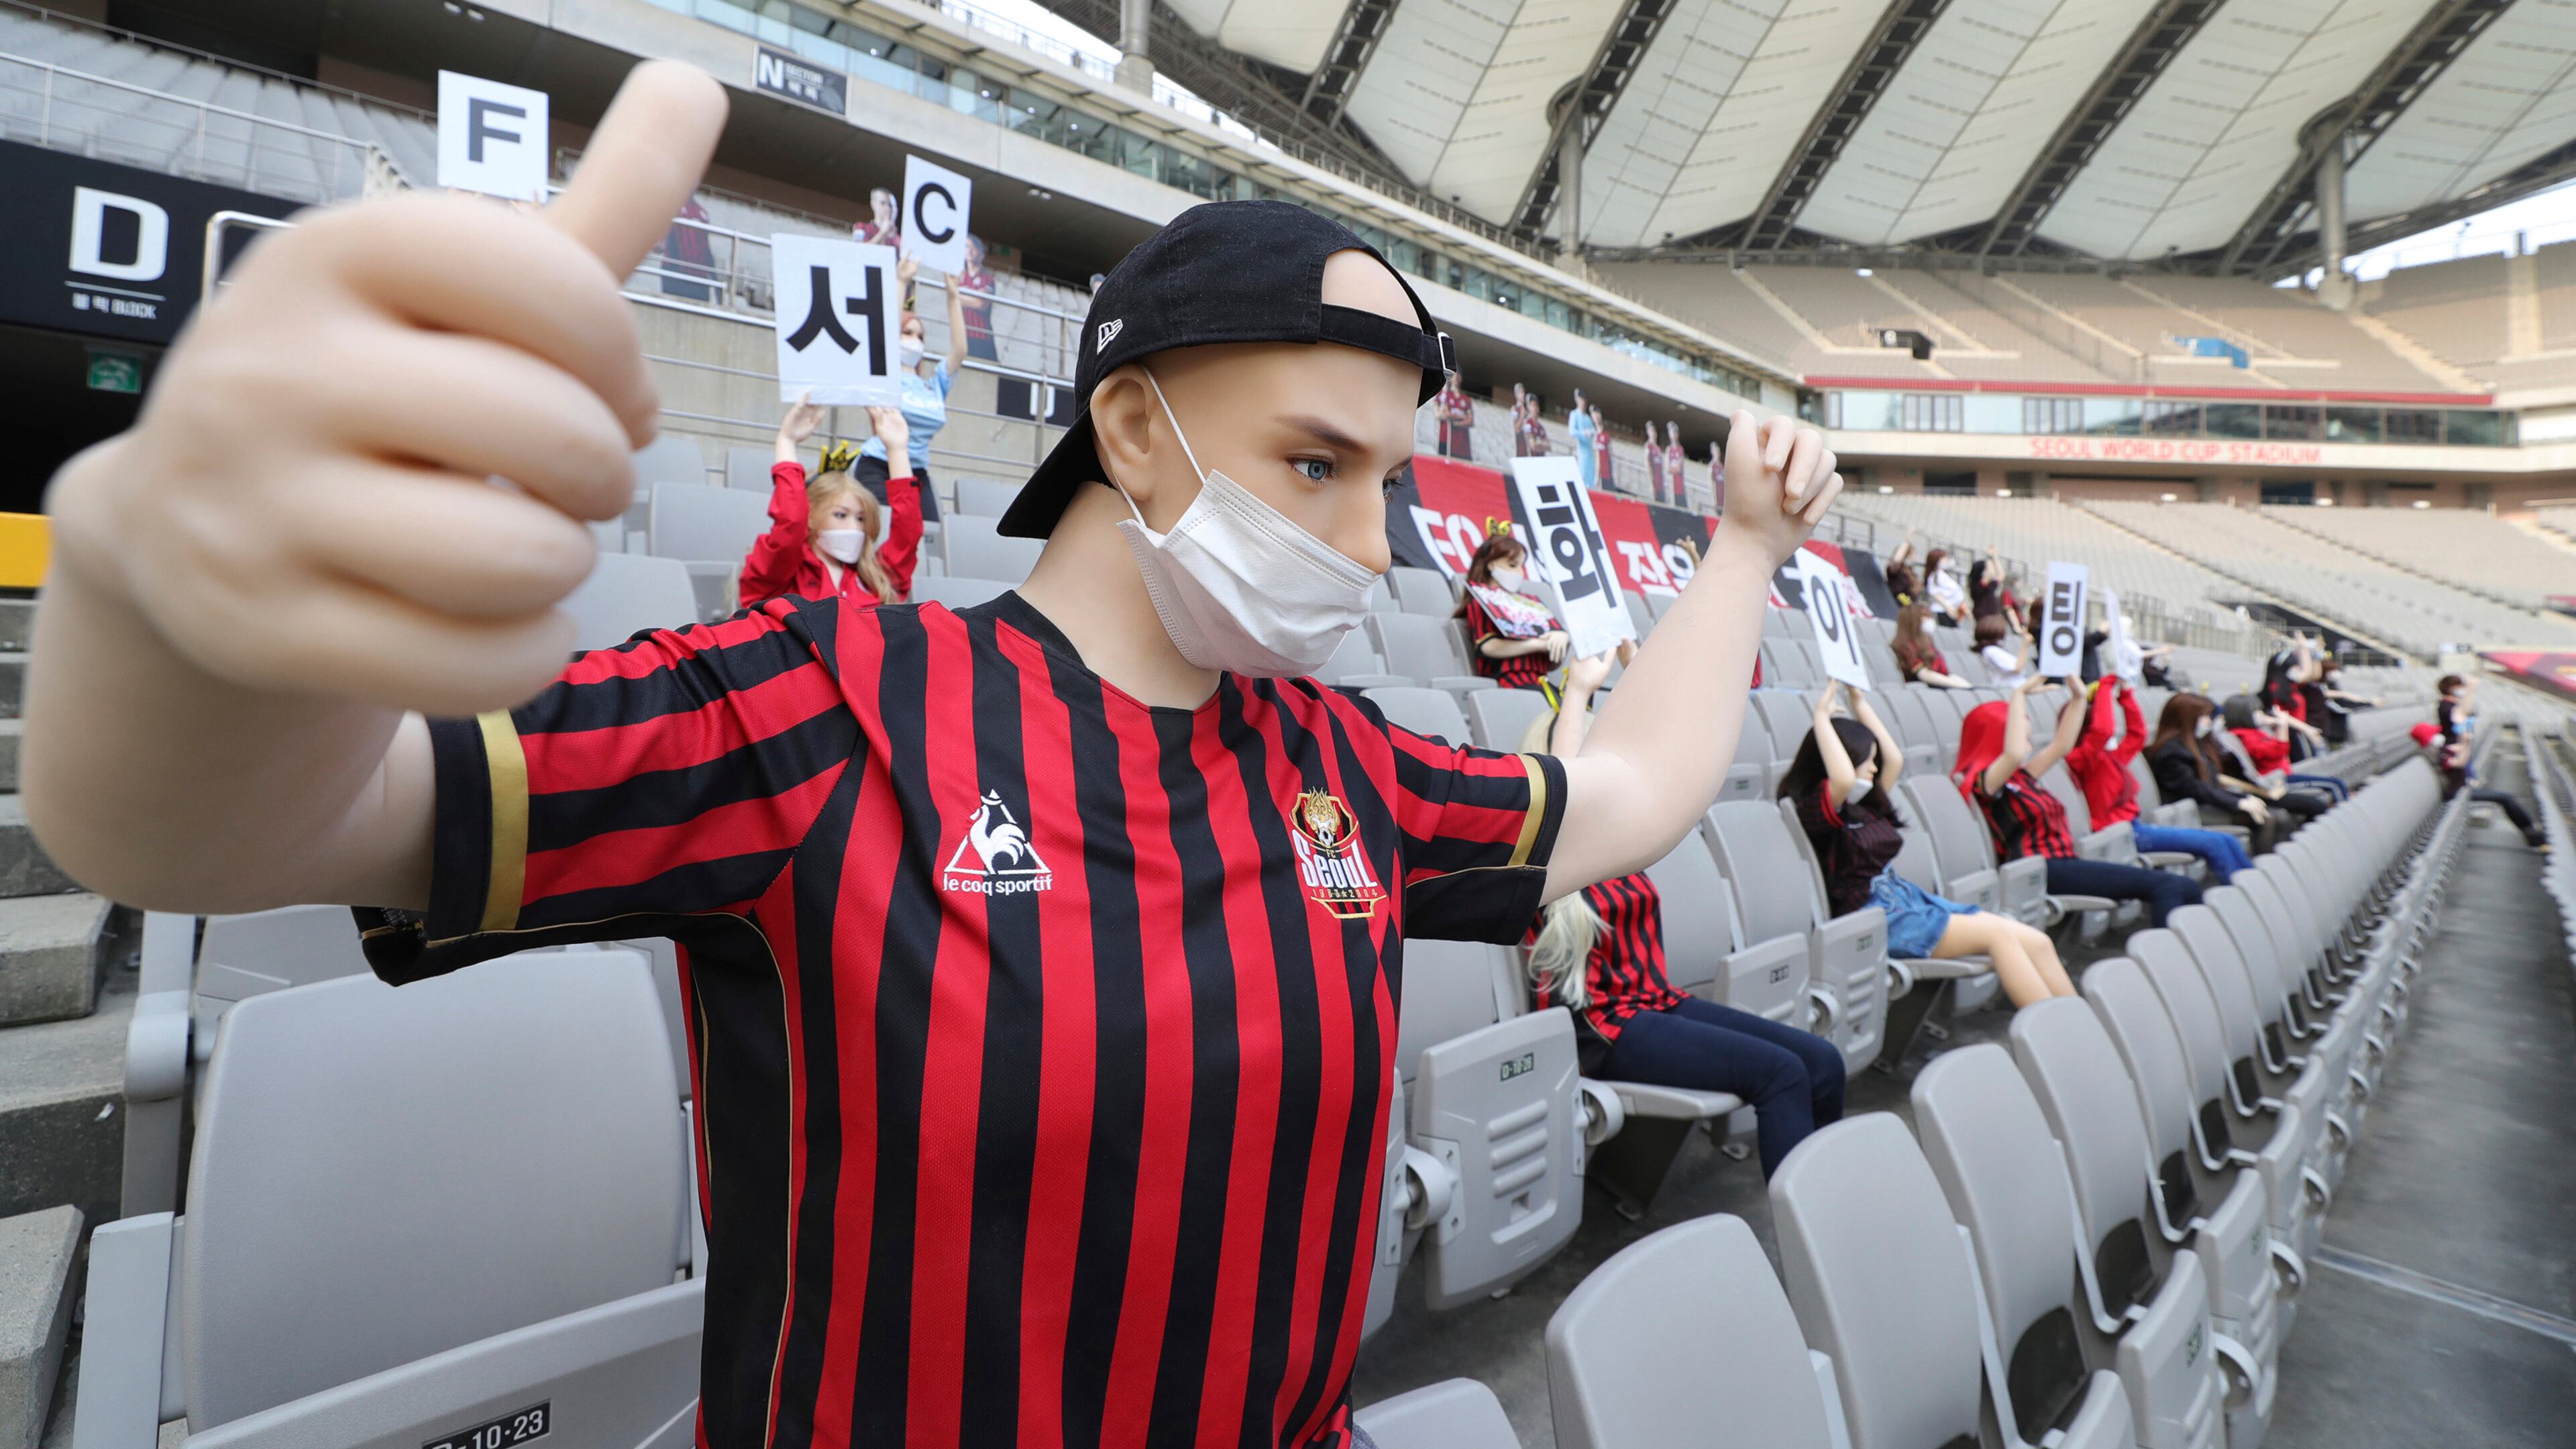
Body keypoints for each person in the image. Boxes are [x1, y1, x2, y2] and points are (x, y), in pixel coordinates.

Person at [23, 66, 1846, 1449]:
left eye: (1386, 479)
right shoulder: (825, 702)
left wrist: (1747, 550)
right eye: (1316, 465)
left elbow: (1623, 803)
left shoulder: (1342, 768)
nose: (1374, 545)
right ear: (1131, 428)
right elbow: (239, 828)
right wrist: (156, 598)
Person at [1525, 670, 1844, 1178]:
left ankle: (1833, 1191)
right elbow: (1566, 776)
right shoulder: (1544, 848)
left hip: (1656, 1000)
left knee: (1823, 1061)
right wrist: (1581, 692)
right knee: (1781, 1074)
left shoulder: (1619, 836)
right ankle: (1810, 1224)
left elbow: (1666, 749)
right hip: (1602, 1026)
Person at [1785, 683, 2073, 1006]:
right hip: (1877, 918)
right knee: (2000, 937)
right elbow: (1842, 779)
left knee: (2036, 941)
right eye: (1867, 760)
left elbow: (1893, 759)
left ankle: (2081, 1025)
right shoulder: (1816, 813)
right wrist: (1821, 718)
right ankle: (2057, 1026)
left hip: (1908, 900)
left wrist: (1860, 704)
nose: (1875, 768)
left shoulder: (1863, 805)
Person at [1954, 678, 2203, 928]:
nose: (2028, 738)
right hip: (2041, 870)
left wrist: (2079, 696)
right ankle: (2165, 959)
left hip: (2063, 861)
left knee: (2186, 888)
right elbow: (2015, 752)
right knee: (2168, 886)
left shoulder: (2022, 777)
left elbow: (2062, 745)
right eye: (2023, 730)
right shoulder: (1986, 784)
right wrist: (2018, 694)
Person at [739, 393, 922, 608]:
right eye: (841, 515)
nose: (855, 527)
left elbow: (908, 536)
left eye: (862, 518)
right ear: (811, 515)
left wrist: (897, 450)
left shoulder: (874, 577)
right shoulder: (780, 572)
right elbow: (791, 524)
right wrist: (786, 442)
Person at [2068, 677, 2253, 880]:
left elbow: (2137, 734)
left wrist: (2126, 696)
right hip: (2119, 835)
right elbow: (2102, 731)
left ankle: (2252, 890)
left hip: (2134, 826)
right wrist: (2105, 686)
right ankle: (2243, 891)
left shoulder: (2110, 758)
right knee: (2215, 843)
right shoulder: (2082, 760)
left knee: (2227, 840)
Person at [851, 255, 969, 523]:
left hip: (917, 470)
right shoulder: (885, 373)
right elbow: (882, 335)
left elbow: (960, 350)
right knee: (884, 533)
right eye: (908, 333)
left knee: (930, 535)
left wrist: (953, 296)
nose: (915, 341)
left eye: (921, 336)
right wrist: (901, 279)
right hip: (877, 465)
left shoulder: (933, 383)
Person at [2147, 692, 2292, 851]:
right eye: (2205, 717)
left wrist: (2244, 798)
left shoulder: (2197, 744)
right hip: (2191, 811)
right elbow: (2196, 789)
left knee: (2278, 816)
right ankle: (2261, 868)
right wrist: (2238, 803)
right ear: (2187, 718)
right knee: (2271, 819)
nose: (2209, 722)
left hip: (2206, 803)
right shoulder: (2172, 752)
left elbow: (2212, 782)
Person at [1455, 530, 1569, 690]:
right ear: (1491, 564)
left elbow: (1553, 662)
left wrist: (1561, 637)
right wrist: (1537, 644)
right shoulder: (1481, 601)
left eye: (1522, 566)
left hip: (1542, 681)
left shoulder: (1531, 604)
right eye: (1512, 565)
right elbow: (1488, 646)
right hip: (1509, 682)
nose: (1519, 573)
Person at [2409, 722, 2546, 850]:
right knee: (2506, 798)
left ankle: (2533, 833)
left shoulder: (2436, 750)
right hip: (2455, 793)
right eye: (2433, 734)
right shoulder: (2432, 753)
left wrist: (2464, 743)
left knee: (2505, 798)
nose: (2438, 736)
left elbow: (2456, 752)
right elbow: (2459, 763)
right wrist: (2467, 743)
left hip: (2461, 789)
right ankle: (2533, 835)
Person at [2221, 694, 2346, 802]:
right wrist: (2282, 726)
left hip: (2282, 775)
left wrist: (2277, 722)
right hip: (2277, 781)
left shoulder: (2254, 731)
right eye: (2256, 712)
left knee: (2333, 783)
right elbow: (2279, 751)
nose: (2261, 715)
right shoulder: (2244, 736)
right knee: (2335, 785)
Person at [1892, 602, 1968, 688]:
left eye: (1929, 617)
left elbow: (1945, 673)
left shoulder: (1927, 645)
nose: (1929, 620)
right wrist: (1955, 684)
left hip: (1941, 683)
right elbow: (1923, 674)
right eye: (1925, 617)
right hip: (1927, 688)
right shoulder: (1907, 647)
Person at [955, 231, 997, 360]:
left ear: (981, 253)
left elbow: (981, 304)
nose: (970, 251)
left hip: (982, 336)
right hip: (963, 334)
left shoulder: (988, 278)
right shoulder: (959, 276)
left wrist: (961, 297)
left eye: (973, 247)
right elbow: (952, 298)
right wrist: (974, 296)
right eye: (967, 247)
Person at [1975, 611, 2030, 690]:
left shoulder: (1994, 650)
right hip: (2010, 689)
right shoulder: (1991, 651)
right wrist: (2025, 646)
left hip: (2018, 687)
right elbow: (2017, 668)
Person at [1435, 370, 1474, 460]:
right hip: (1447, 441)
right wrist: (1462, 417)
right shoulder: (1446, 396)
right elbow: (1446, 413)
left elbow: (1470, 420)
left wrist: (1457, 423)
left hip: (1463, 446)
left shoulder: (1466, 399)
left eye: (1458, 376)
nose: (1456, 378)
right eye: (1455, 376)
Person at [1922, 546, 1966, 624]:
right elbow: (1935, 593)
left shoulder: (1942, 574)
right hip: (1943, 610)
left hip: (1951, 610)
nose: (1947, 560)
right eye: (1945, 558)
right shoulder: (1935, 576)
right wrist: (1948, 606)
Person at [851, 183, 900, 248]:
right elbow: (858, 251)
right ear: (873, 204)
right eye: (883, 203)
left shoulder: (896, 237)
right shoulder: (861, 227)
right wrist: (883, 233)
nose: (888, 209)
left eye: (890, 205)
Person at [1568, 388, 1597, 484]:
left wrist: (1591, 432)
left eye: (1584, 399)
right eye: (1580, 399)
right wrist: (1584, 433)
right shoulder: (1574, 414)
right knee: (1582, 477)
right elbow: (1572, 431)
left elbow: (1594, 431)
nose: (1582, 402)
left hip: (1590, 453)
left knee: (1591, 479)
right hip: (1582, 451)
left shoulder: (1587, 418)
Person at [1882, 533, 1919, 606]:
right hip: (1895, 604)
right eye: (1912, 555)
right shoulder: (1896, 569)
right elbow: (1897, 560)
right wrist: (1907, 541)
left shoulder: (1910, 571)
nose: (1914, 558)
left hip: (1909, 605)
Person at [1663, 423, 1686, 508]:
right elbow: (1667, 469)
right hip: (1671, 486)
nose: (1673, 435)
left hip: (1680, 486)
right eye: (1671, 433)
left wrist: (1674, 468)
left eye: (1674, 432)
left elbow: (1679, 468)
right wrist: (1674, 468)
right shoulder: (1669, 450)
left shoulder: (1680, 449)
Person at [1509, 381, 1530, 456]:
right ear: (1517, 395)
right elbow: (1517, 428)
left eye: (1523, 392)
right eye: (1521, 392)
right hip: (1519, 446)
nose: (1523, 394)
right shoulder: (1515, 409)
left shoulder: (1527, 411)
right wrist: (1522, 415)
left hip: (1527, 446)